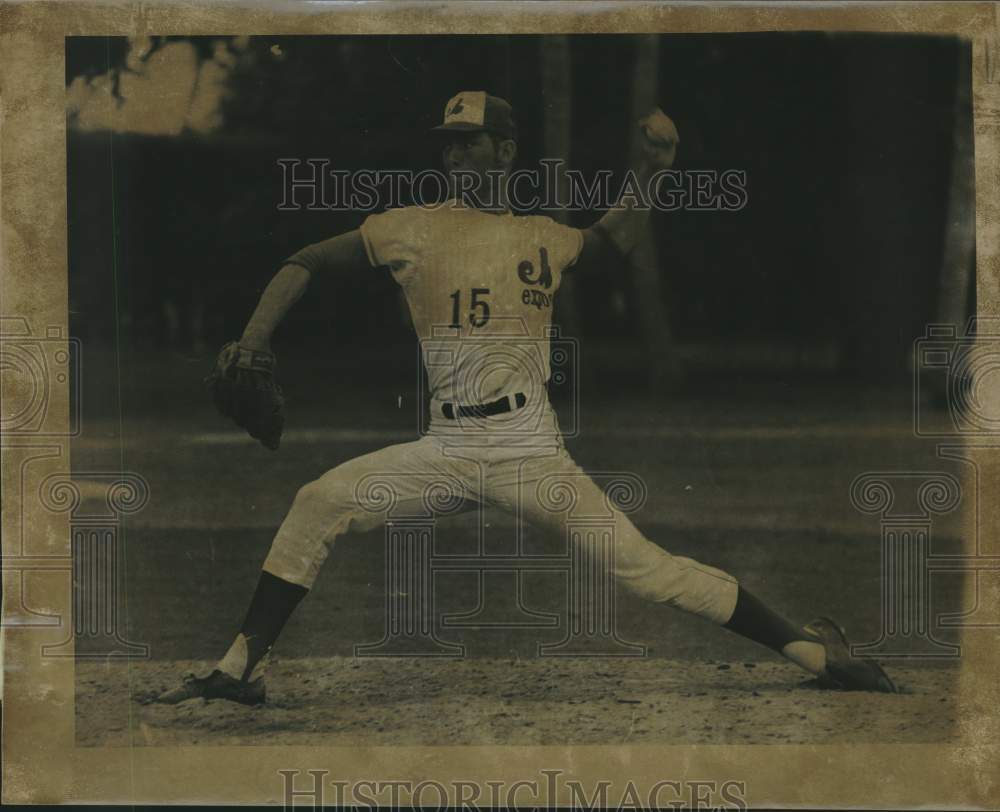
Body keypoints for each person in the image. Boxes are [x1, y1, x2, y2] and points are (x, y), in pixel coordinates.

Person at [158, 91, 896, 705]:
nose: (455, 154)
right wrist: (254, 340)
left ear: (506, 152)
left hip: (530, 453)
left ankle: (815, 656)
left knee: (644, 568)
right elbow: (305, 262)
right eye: (448, 144)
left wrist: (650, 171)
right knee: (319, 501)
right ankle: (237, 671)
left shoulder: (544, 235)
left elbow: (612, 242)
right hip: (443, 451)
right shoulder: (404, 228)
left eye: (472, 142)